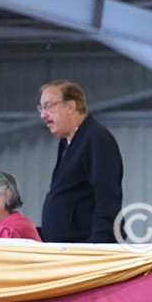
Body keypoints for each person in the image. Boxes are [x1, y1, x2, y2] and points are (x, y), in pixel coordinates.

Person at [37, 80, 124, 242]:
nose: (43, 114)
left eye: (49, 106)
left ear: (70, 106)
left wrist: (97, 245)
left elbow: (107, 198)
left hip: (86, 248)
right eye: (41, 108)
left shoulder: (97, 139)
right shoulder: (66, 144)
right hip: (67, 246)